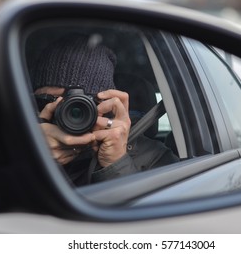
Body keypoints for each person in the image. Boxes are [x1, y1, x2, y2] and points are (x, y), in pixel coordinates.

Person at [29, 35, 179, 186]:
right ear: (32, 102)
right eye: (50, 101)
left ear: (107, 105)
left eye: (83, 104)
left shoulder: (154, 157)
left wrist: (116, 162)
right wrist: (28, 153)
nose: (67, 113)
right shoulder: (13, 142)